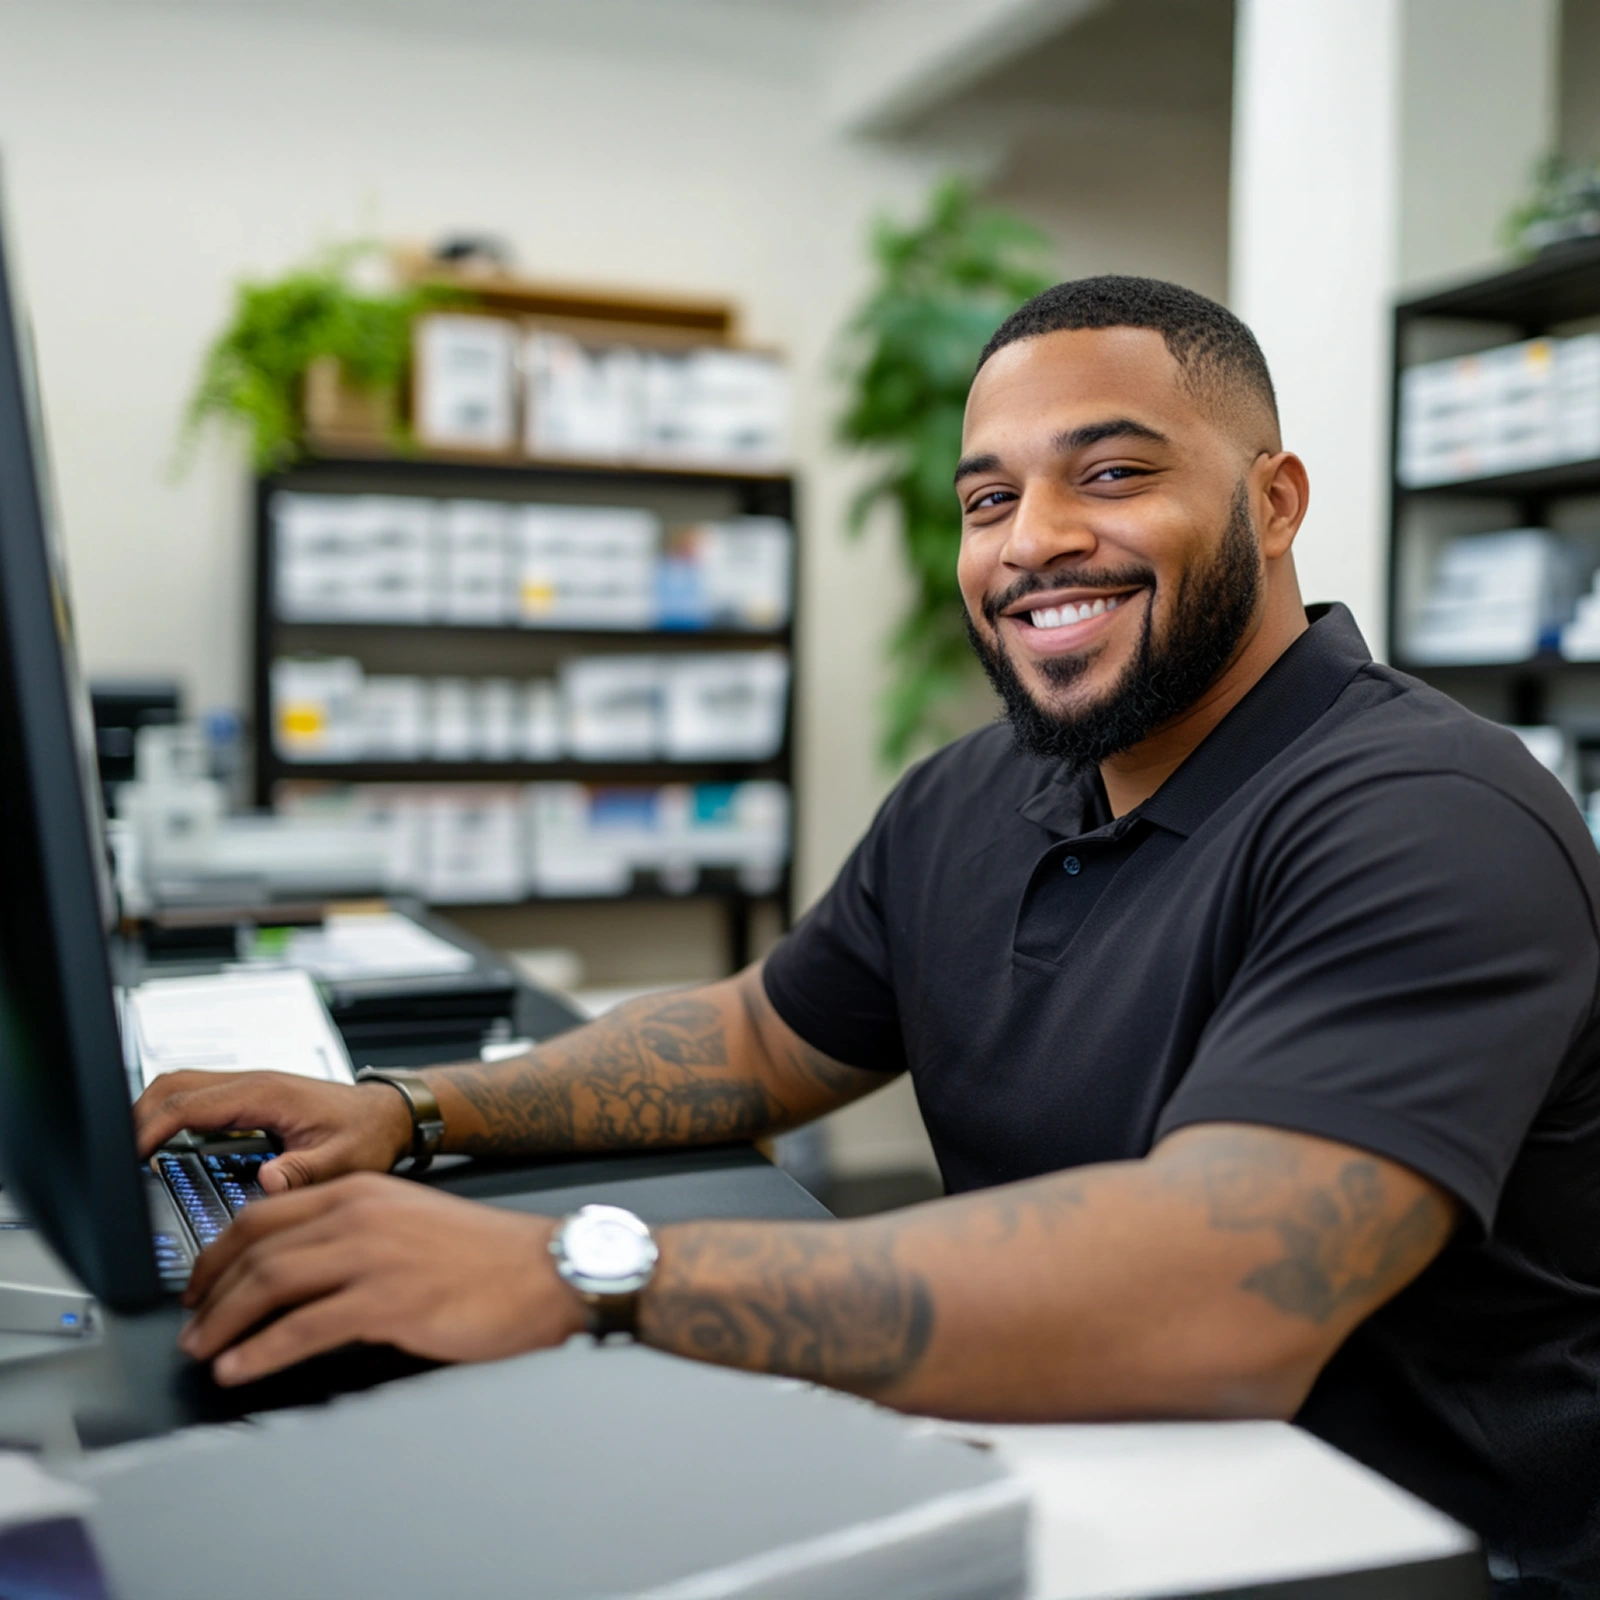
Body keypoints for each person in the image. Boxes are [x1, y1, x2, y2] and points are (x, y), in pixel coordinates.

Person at [136, 277, 1600, 1592]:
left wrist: (579, 1276)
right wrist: (411, 1108)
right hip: (1070, 1463)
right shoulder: (983, 792)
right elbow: (767, 1034)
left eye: (1111, 472)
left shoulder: (1430, 815)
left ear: (1273, 503)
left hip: (1408, 1552)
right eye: (986, 501)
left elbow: (1229, 1290)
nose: (1035, 541)